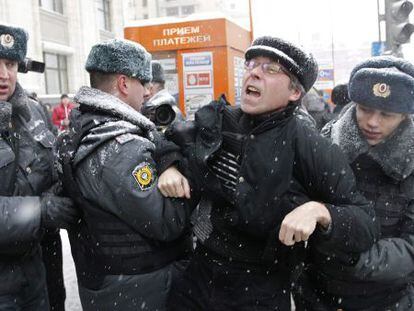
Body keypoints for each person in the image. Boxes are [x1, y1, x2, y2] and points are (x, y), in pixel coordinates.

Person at [162, 36, 380, 310]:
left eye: (272, 69)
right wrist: (169, 165)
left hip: (258, 288)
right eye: (252, 64)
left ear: (295, 93)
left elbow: (365, 222)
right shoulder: (219, 120)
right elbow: (170, 138)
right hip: (198, 274)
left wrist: (320, 211)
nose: (253, 72)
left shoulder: (307, 144)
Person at [58, 39, 193, 311]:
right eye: (143, 83)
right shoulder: (123, 149)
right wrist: (191, 172)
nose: (146, 92)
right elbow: (169, 222)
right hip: (137, 286)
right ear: (123, 83)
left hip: (105, 281)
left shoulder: (77, 130)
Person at [294, 56, 414, 311]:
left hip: (386, 301)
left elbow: (410, 246)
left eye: (386, 114)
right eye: (365, 109)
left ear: (404, 116)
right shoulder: (324, 143)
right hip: (316, 296)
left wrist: (353, 259)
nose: (372, 122)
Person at [0, 24, 77, 310]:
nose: (3, 74)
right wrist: (39, 211)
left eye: (10, 63)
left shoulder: (33, 112)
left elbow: (52, 170)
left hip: (40, 269)